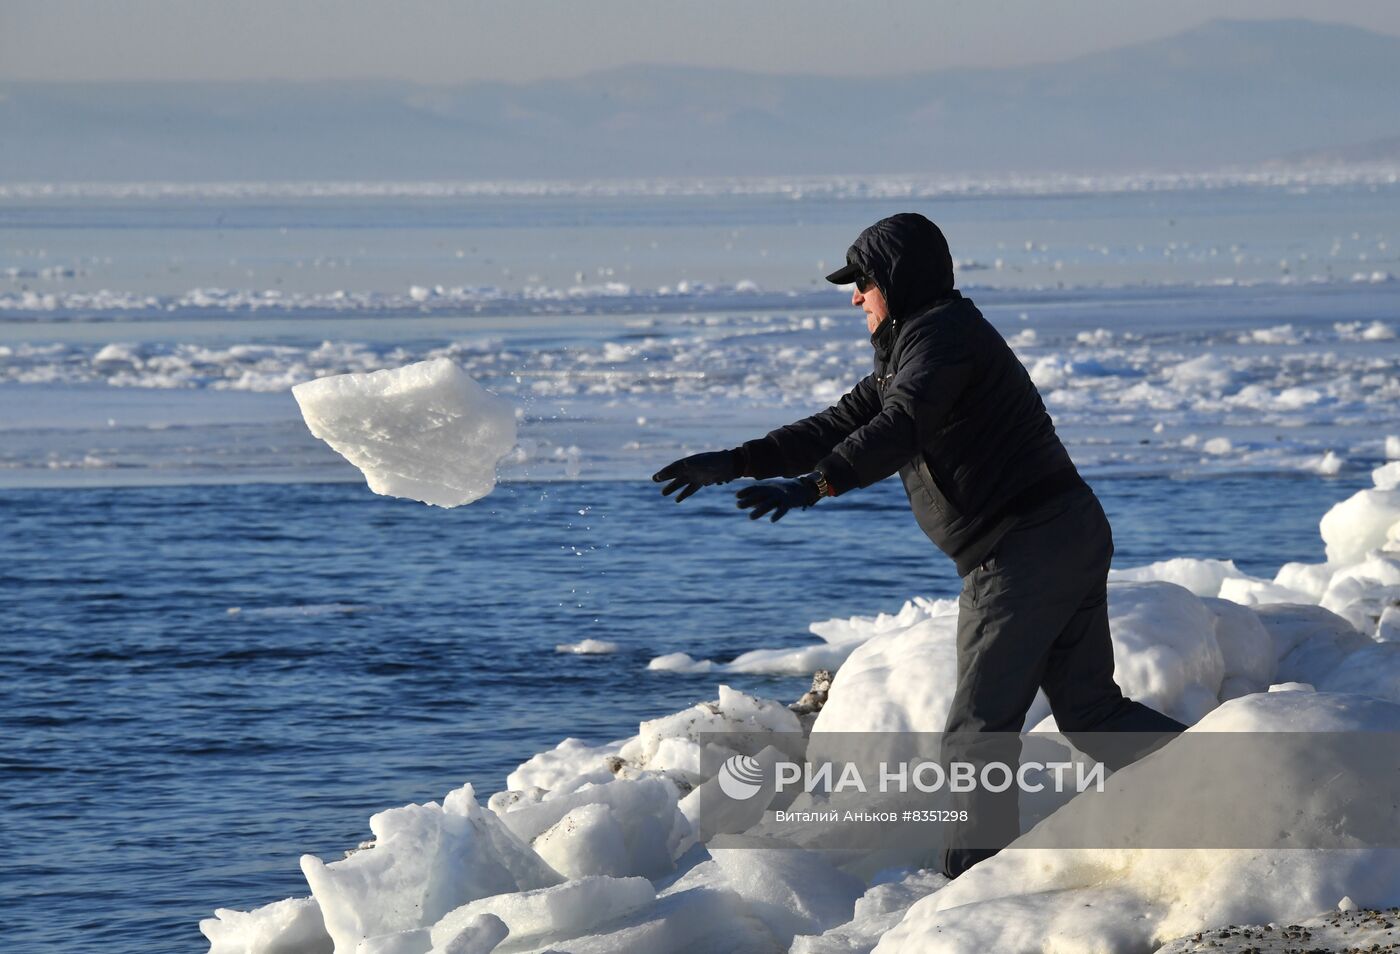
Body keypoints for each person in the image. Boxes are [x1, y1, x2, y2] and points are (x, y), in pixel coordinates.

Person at [652, 212, 1187, 878]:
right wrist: (735, 460)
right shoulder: (917, 348)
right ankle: (1240, 781)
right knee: (1089, 711)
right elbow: (839, 424)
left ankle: (970, 893)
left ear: (896, 283)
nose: (855, 298)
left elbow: (902, 427)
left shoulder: (942, 340)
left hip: (1025, 546)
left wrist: (819, 485)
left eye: (864, 284)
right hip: (1060, 531)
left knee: (975, 737)